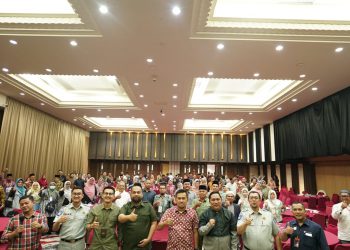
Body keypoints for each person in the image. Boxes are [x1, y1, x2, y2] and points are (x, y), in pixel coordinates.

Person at [118, 184, 157, 250]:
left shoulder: (148, 206)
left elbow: (154, 222)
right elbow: (120, 218)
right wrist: (128, 217)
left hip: (144, 245)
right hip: (128, 245)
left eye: (138, 192)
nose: (136, 194)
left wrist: (149, 239)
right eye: (134, 192)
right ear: (130, 194)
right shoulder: (126, 206)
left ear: (142, 194)